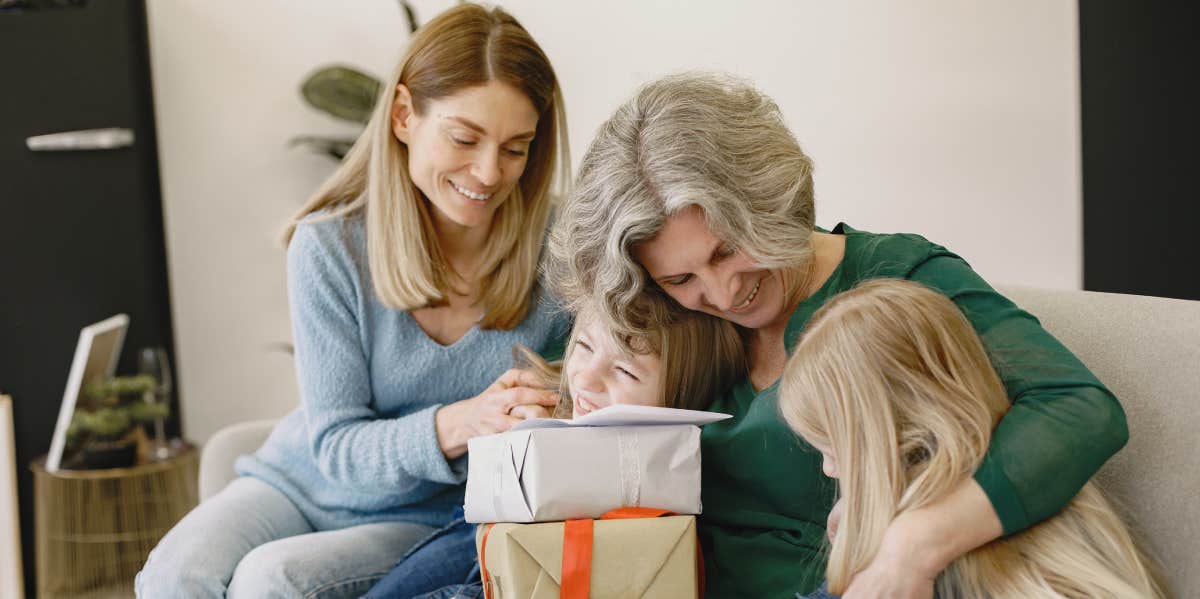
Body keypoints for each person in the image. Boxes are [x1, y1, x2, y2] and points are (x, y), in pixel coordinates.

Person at [549, 72, 1130, 598]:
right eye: (681, 277)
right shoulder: (677, 315)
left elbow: (1078, 408)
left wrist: (915, 547)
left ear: (766, 200)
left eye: (728, 250)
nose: (724, 295)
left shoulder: (893, 283)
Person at [136, 5, 572, 597]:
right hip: (297, 484)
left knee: (272, 582)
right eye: (464, 137)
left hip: (431, 516)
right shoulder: (329, 246)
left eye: (516, 148)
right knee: (172, 576)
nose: (490, 172)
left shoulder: (562, 253)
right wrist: (462, 422)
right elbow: (337, 447)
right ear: (402, 116)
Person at [779, 279, 1168, 599]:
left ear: (893, 444)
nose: (829, 469)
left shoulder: (902, 575)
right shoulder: (1056, 508)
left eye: (831, 449)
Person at [365, 302, 746, 598]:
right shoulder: (543, 412)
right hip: (475, 542)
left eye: (626, 372)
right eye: (583, 346)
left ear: (681, 399)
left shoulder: (682, 469)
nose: (586, 378)